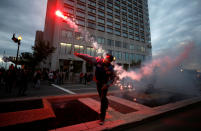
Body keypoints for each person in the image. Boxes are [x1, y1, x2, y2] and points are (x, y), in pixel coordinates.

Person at [74, 52, 115, 125]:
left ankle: (102, 118)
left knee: (102, 99)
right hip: (98, 83)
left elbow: (112, 79)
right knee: (102, 97)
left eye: (108, 59)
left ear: (110, 61)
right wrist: (80, 55)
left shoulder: (110, 68)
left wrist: (107, 84)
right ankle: (106, 102)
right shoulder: (98, 60)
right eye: (106, 57)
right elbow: (88, 58)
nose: (106, 59)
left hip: (104, 84)